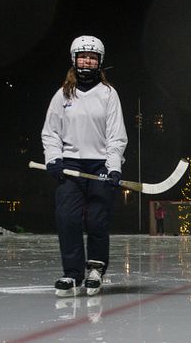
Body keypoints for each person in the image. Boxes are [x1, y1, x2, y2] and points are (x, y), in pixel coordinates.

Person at [41, 35, 128, 297]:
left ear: (99, 62)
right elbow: (51, 132)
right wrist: (54, 159)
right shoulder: (63, 95)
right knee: (67, 219)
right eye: (83, 57)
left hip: (99, 166)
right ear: (74, 60)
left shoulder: (108, 94)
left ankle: (95, 269)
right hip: (70, 167)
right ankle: (72, 273)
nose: (87, 61)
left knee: (97, 220)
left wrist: (113, 167)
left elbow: (116, 135)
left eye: (92, 57)